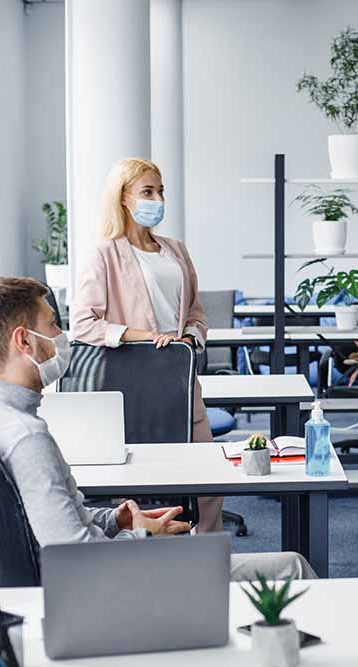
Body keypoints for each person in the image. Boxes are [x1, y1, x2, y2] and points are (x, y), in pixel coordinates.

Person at [0, 277, 316, 581]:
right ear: (24, 341)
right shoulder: (27, 438)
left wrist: (117, 519)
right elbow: (77, 562)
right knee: (293, 567)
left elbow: (51, 523)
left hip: (90, 581)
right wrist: (143, 533)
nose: (62, 335)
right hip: (114, 589)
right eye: (52, 324)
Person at [70, 157, 223, 532]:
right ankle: (152, 560)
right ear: (123, 198)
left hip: (181, 380)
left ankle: (205, 557)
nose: (157, 198)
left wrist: (188, 338)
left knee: (209, 480)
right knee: (155, 485)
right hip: (135, 386)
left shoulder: (176, 250)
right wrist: (142, 336)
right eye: (147, 191)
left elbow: (197, 314)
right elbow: (82, 324)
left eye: (160, 190)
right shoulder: (104, 254)